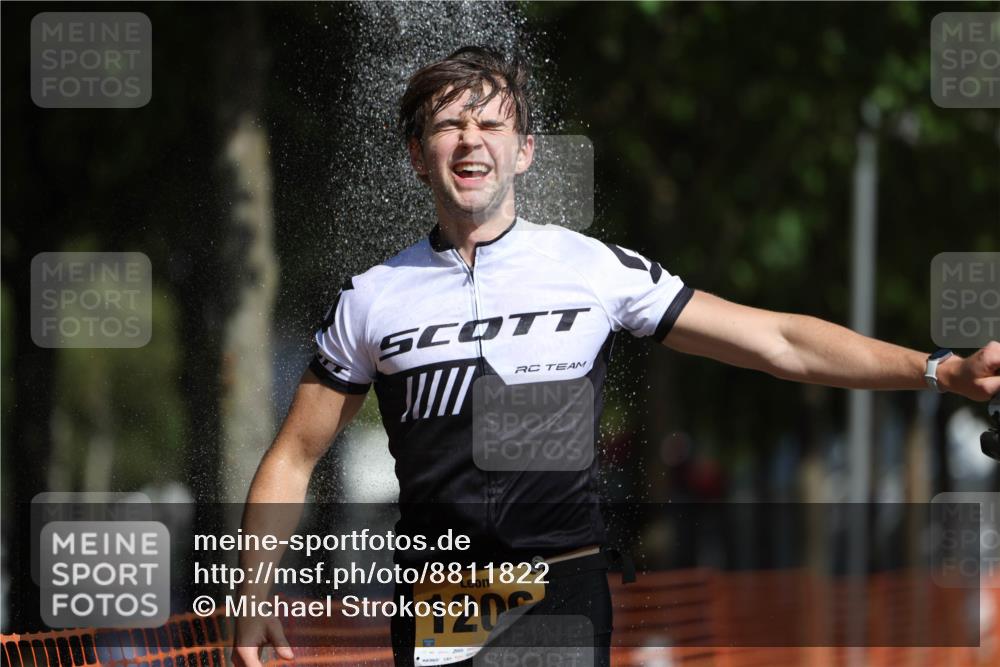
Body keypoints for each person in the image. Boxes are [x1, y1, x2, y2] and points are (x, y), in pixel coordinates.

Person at [231, 46, 1000, 667]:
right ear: (415, 155)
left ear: (525, 151)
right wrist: (253, 596)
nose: (471, 139)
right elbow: (294, 456)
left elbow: (778, 341)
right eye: (447, 125)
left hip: (560, 585)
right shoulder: (372, 296)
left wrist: (936, 368)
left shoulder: (592, 267)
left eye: (491, 124)